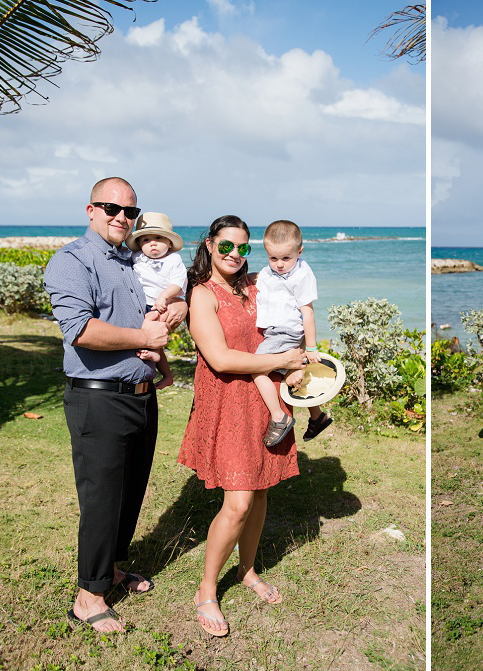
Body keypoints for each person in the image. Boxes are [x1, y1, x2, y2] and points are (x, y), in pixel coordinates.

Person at [44, 177, 186, 633]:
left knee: (129, 492)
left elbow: (151, 315)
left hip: (142, 399)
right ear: (91, 210)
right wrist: (145, 337)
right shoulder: (71, 260)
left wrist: (176, 308)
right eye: (111, 208)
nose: (121, 217)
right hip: (98, 398)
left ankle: (113, 570)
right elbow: (80, 331)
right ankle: (89, 595)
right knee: (102, 498)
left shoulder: (132, 261)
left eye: (129, 211)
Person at [177, 215, 305, 637]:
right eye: (227, 246)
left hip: (265, 399)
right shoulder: (201, 295)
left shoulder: (258, 283)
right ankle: (206, 589)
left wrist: (300, 358)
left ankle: (247, 570)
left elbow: (290, 316)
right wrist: (279, 362)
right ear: (211, 246)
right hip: (228, 402)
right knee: (238, 503)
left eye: (243, 248)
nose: (235, 254)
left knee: (261, 490)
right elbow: (222, 359)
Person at [253, 220, 332, 446]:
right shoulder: (273, 272)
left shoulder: (302, 276)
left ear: (300, 251)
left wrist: (312, 347)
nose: (279, 264)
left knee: (256, 368)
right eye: (273, 258)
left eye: (286, 258)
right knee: (291, 375)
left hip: (285, 333)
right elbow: (265, 280)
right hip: (279, 332)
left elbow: (308, 313)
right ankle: (318, 416)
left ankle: (279, 417)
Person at [126, 212, 188, 390]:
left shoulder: (173, 259)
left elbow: (178, 282)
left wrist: (164, 297)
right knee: (150, 332)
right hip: (141, 304)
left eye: (158, 238)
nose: (152, 243)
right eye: (145, 240)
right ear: (138, 244)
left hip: (161, 304)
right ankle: (167, 374)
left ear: (169, 242)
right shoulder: (136, 257)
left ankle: (154, 355)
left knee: (152, 328)